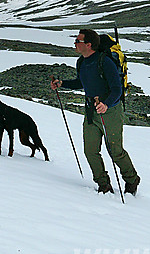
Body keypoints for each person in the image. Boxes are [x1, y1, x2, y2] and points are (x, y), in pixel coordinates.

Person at [51, 28, 140, 195]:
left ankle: (132, 179)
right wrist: (62, 83)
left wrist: (106, 104)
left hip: (110, 111)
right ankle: (103, 184)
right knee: (90, 150)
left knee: (115, 151)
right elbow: (82, 82)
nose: (75, 43)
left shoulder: (105, 62)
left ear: (89, 45)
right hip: (91, 110)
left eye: (78, 41)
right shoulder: (82, 62)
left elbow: (117, 89)